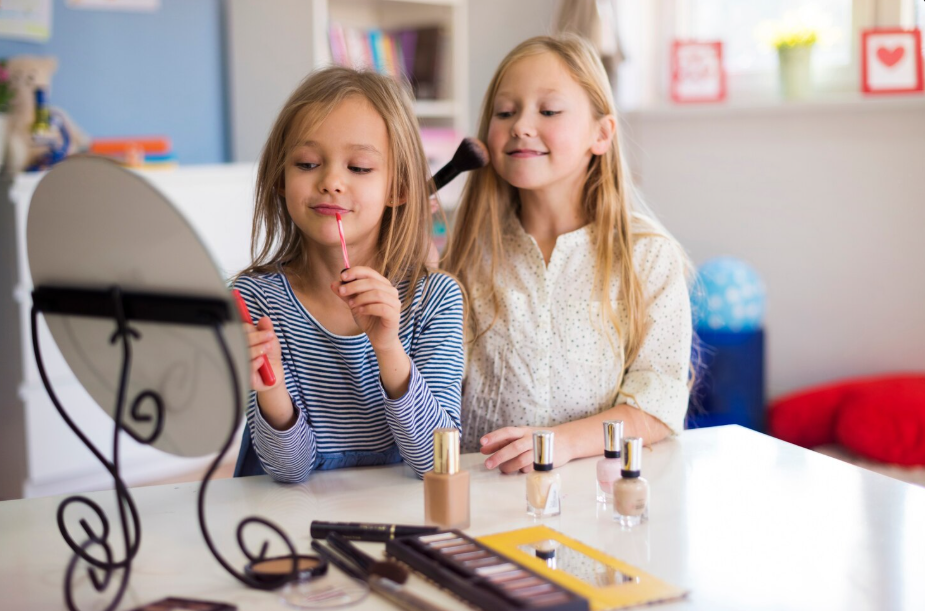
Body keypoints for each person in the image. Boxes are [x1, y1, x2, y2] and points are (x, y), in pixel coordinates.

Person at [444, 34, 693, 473]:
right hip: (483, 493)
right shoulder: (465, 256)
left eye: (549, 110)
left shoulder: (649, 259)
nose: (521, 124)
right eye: (505, 112)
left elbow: (658, 403)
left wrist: (562, 443)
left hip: (594, 497)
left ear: (601, 134)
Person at [233, 66, 464, 483]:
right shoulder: (258, 300)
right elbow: (289, 470)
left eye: (358, 167)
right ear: (280, 179)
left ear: (399, 188)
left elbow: (436, 462)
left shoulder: (437, 299)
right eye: (307, 163)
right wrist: (269, 384)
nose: (331, 181)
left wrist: (388, 347)